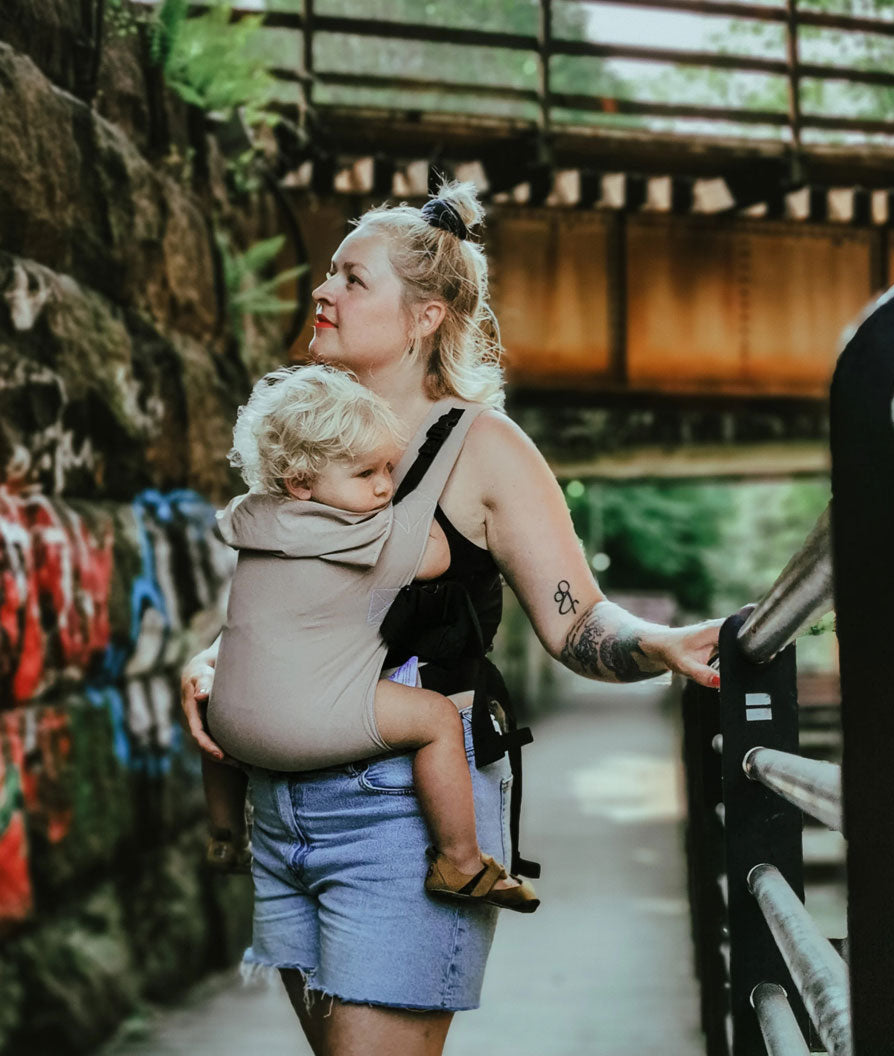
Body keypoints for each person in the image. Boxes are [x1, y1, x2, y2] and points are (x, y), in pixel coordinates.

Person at [181, 179, 722, 1056]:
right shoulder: (304, 434)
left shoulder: (484, 447)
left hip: (403, 819)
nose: (322, 290)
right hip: (280, 815)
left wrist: (656, 643)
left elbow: (576, 620)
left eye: (353, 279)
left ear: (425, 314)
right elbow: (300, 600)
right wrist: (215, 663)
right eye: (328, 274)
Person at [202, 362, 537, 912]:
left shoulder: (253, 521)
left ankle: (223, 836)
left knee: (227, 699)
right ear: (302, 483)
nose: (385, 485)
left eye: (391, 467)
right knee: (433, 719)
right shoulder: (363, 539)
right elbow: (439, 555)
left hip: (229, 735)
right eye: (366, 475)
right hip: (307, 728)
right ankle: (461, 861)